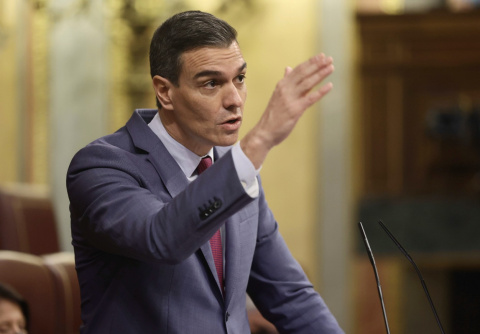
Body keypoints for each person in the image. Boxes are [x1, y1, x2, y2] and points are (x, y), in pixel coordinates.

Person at [67, 10, 343, 334]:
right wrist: (260, 140)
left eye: (239, 78)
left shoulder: (237, 169)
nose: (235, 100)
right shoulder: (101, 166)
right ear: (165, 92)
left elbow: (290, 295)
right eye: (212, 83)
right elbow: (162, 238)